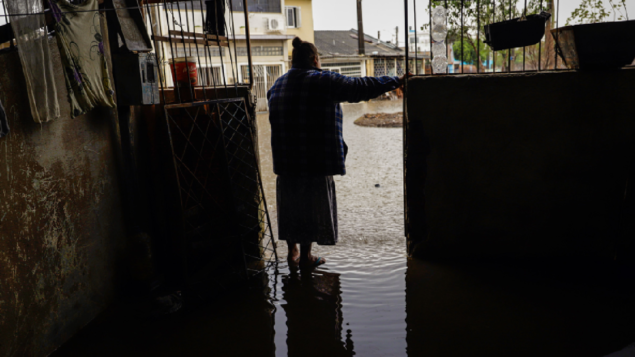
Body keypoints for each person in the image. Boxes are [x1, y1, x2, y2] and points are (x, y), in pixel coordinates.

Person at [267, 37, 410, 269]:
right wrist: (396, 80)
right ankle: (305, 257)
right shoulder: (322, 80)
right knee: (311, 206)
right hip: (314, 160)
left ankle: (291, 252)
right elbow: (361, 87)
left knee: (290, 204)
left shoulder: (277, 85)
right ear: (315, 60)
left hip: (285, 162)